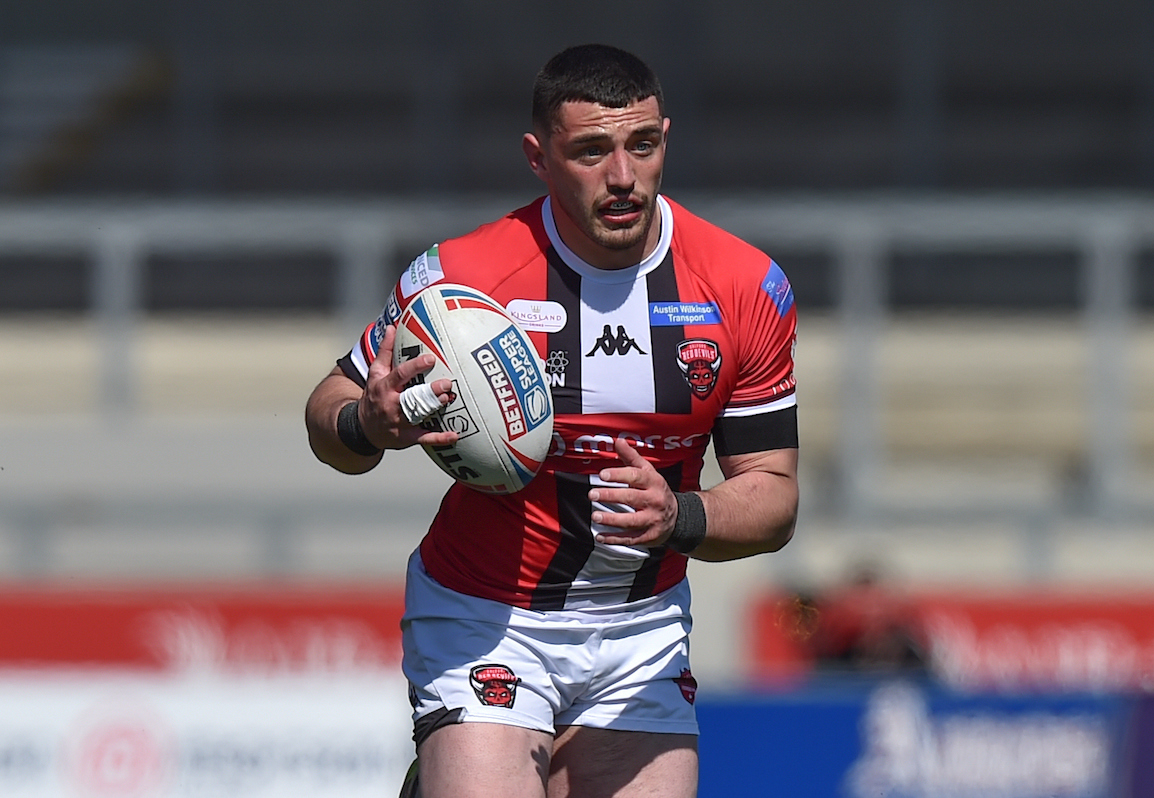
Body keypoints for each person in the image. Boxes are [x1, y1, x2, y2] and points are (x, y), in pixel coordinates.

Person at [305, 43, 799, 798]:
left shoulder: (743, 287)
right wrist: (367, 427)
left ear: (666, 135)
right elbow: (325, 415)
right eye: (592, 152)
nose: (623, 176)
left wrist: (682, 515)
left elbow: (773, 498)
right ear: (539, 157)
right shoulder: (462, 279)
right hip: (485, 613)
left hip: (641, 628)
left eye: (643, 145)